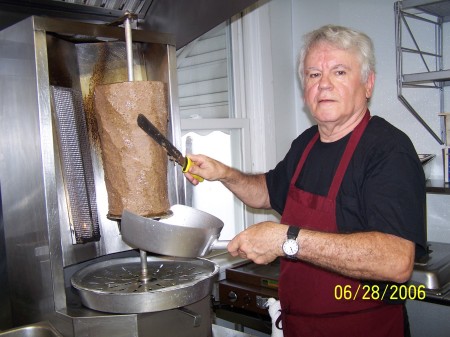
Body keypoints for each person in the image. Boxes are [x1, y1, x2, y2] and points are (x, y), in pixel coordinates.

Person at [185, 25, 426, 337]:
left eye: (339, 72)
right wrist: (224, 173)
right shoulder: (306, 143)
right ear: (304, 90)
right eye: (313, 75)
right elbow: (266, 193)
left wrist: (287, 239)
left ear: (368, 84)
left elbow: (396, 261)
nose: (323, 84)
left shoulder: (389, 150)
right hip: (301, 326)